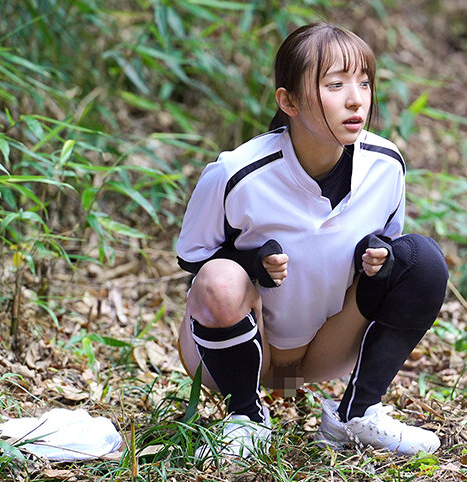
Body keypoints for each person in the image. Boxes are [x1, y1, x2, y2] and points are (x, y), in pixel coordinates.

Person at [175, 22, 449, 460]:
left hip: (325, 349)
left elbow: (387, 242)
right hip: (242, 355)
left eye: (364, 83)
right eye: (335, 85)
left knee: (422, 259)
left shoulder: (385, 165)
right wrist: (251, 263)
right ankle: (245, 417)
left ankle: (356, 414)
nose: (356, 99)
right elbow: (194, 261)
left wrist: (372, 256)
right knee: (219, 279)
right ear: (289, 101)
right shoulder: (236, 174)